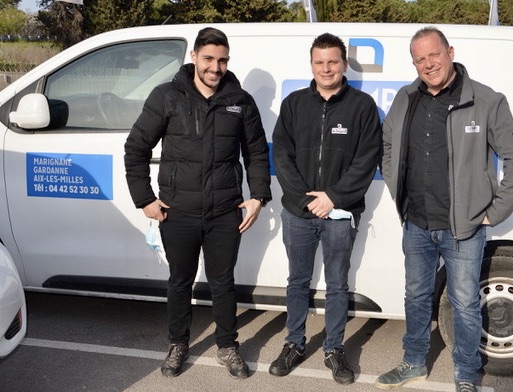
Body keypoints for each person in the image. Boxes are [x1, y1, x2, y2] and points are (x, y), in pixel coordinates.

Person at [376, 27, 513, 392]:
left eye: (434, 55)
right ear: (413, 63)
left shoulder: (486, 100)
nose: (428, 64)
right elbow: (388, 144)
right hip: (415, 222)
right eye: (420, 59)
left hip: (463, 227)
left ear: (450, 51)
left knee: (463, 303)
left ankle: (465, 374)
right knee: (415, 296)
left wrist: (495, 210)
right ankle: (414, 363)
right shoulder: (406, 97)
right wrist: (396, 186)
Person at [124, 27, 271, 379]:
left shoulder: (241, 101)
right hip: (179, 210)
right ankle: (178, 344)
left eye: (222, 60)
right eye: (208, 58)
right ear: (193, 57)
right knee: (180, 281)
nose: (215, 67)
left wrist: (258, 197)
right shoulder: (167, 96)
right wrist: (144, 198)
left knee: (223, 282)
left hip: (224, 211)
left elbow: (256, 153)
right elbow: (136, 148)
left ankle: (227, 345)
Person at [269, 32, 381, 385]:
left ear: (344, 64)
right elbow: (282, 155)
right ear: (312, 65)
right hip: (298, 213)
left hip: (339, 214)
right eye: (319, 62)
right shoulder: (294, 104)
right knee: (297, 282)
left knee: (336, 284)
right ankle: (294, 344)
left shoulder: (362, 106)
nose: (326, 68)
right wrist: (305, 199)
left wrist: (332, 197)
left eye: (333, 61)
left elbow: (366, 160)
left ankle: (334, 348)